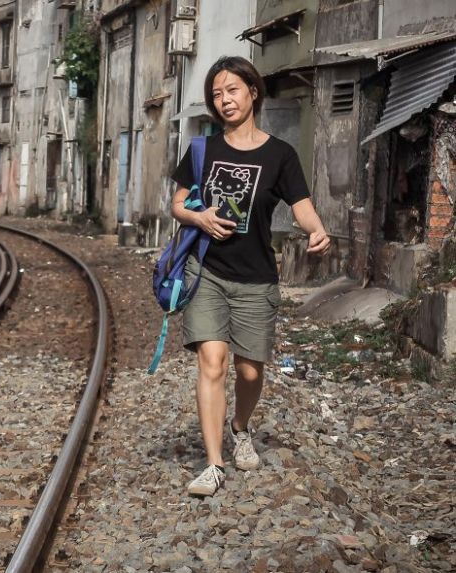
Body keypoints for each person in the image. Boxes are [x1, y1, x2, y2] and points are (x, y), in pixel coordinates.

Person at [170, 56, 330, 496]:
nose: (225, 100)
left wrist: (317, 230)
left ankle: (241, 426)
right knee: (212, 361)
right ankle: (215, 464)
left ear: (253, 92)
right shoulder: (204, 150)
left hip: (257, 278)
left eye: (232, 91)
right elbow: (178, 203)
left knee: (251, 372)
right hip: (207, 272)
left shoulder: (280, 154)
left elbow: (301, 205)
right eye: (217, 94)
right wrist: (200, 219)